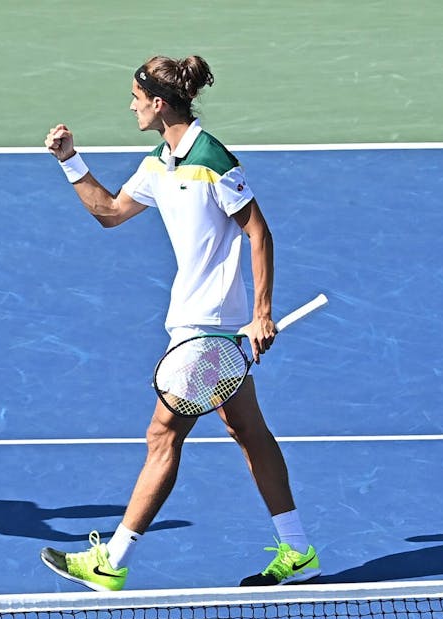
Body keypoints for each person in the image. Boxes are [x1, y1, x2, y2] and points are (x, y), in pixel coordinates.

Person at [39, 55, 320, 589]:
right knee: (250, 433)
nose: (131, 105)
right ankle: (299, 549)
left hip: (209, 326)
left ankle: (111, 562)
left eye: (135, 97)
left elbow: (258, 231)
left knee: (162, 436)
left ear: (159, 102)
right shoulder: (158, 163)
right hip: (198, 323)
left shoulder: (212, 159)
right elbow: (110, 212)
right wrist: (70, 160)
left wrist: (261, 313)